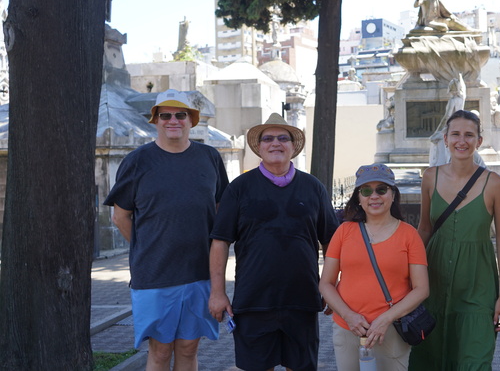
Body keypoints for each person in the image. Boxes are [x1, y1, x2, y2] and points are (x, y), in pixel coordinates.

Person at [104, 89, 230, 370]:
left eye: (180, 115)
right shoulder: (137, 161)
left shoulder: (209, 157)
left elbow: (221, 210)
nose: (173, 120)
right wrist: (147, 249)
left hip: (199, 272)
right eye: (165, 115)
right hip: (155, 274)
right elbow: (120, 217)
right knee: (160, 351)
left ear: (191, 120)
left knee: (188, 348)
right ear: (156, 121)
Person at [209, 113, 338, 371]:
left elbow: (332, 242)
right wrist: (218, 292)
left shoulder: (313, 187)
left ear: (293, 146)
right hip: (253, 300)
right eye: (268, 139)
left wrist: (330, 285)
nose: (275, 143)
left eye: (282, 138)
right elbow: (220, 242)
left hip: (302, 298)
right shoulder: (239, 188)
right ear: (259, 147)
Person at [409, 110, 500, 370]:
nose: (461, 141)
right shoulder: (430, 177)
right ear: (445, 139)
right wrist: (407, 278)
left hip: (478, 282)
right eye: (455, 134)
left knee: (475, 359)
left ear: (479, 140)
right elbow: (424, 229)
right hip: (433, 279)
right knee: (429, 357)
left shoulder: (495, 184)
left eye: (469, 135)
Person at [319, 164, 429, 370]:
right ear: (358, 198)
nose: (374, 196)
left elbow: (422, 289)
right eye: (366, 191)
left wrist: (385, 319)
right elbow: (326, 283)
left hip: (391, 331)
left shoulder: (409, 235)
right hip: (348, 329)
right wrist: (348, 315)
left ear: (393, 195)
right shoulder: (344, 232)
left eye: (381, 189)